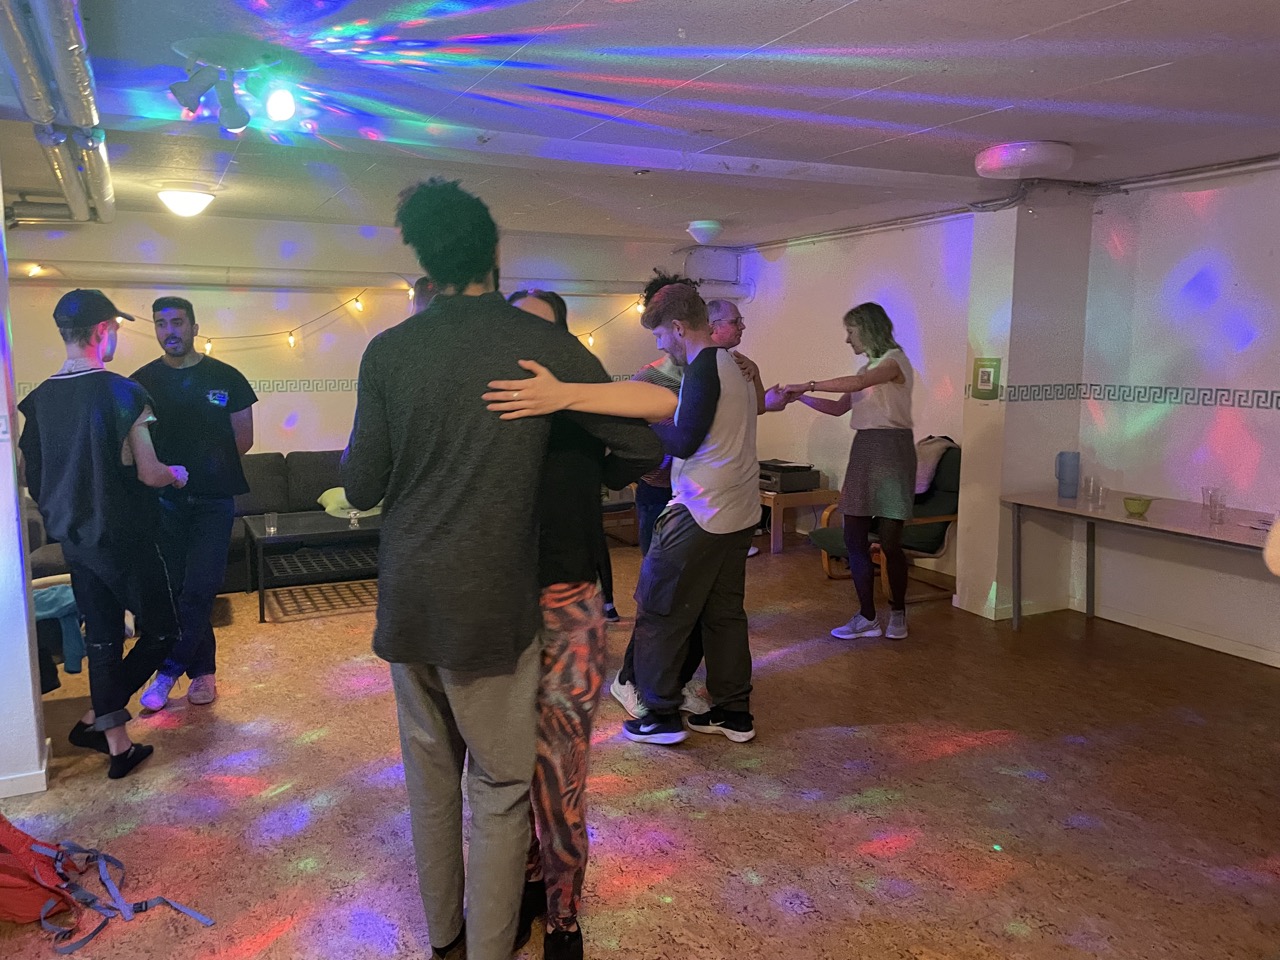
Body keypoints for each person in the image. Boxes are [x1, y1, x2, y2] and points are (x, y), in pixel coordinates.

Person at [340, 178, 660, 960]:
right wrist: (561, 409)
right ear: (494, 257)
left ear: (425, 263)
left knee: (429, 784)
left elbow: (360, 484)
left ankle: (443, 941)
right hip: (490, 601)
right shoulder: (533, 342)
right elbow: (645, 440)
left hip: (408, 600)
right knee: (501, 785)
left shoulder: (388, 350)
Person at [501, 287, 661, 960]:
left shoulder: (586, 409)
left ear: (566, 342)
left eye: (544, 331)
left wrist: (567, 399)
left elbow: (651, 436)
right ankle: (524, 886)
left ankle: (564, 912)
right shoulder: (491, 406)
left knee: (562, 774)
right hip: (496, 606)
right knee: (505, 770)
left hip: (569, 602)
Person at [17, 289, 189, 779]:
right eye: (114, 328)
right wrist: (177, 474)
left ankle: (117, 746)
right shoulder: (124, 393)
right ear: (101, 331)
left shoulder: (39, 400)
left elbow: (30, 475)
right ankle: (99, 715)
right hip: (126, 536)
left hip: (75, 540)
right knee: (163, 631)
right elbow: (150, 471)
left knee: (103, 638)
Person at [625, 284, 760, 746]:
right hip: (740, 510)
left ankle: (659, 715)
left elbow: (683, 442)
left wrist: (641, 418)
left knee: (658, 610)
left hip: (700, 511)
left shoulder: (704, 367)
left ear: (679, 328)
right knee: (724, 615)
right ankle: (733, 712)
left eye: (661, 335)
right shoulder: (736, 366)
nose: (661, 345)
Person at [133, 296, 256, 710]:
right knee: (177, 591)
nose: (170, 330)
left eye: (177, 321)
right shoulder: (140, 383)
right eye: (161, 323)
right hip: (163, 503)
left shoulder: (227, 377)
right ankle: (203, 672)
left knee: (200, 588)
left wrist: (208, 469)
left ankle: (167, 672)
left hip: (214, 501)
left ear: (194, 327)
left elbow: (244, 439)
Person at [778, 302, 917, 640]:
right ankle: (867, 616)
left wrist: (809, 383)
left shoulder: (894, 361)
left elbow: (857, 384)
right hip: (864, 448)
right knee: (853, 536)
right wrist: (799, 397)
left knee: (890, 542)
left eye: (850, 332)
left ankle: (898, 612)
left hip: (893, 450)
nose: (847, 339)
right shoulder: (867, 368)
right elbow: (839, 407)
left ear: (867, 329)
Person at [510, 288, 622, 624]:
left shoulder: (580, 384)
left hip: (563, 564)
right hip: (502, 566)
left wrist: (601, 476)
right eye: (515, 322)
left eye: (538, 325)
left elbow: (642, 445)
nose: (526, 334)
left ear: (560, 333)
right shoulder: (495, 386)